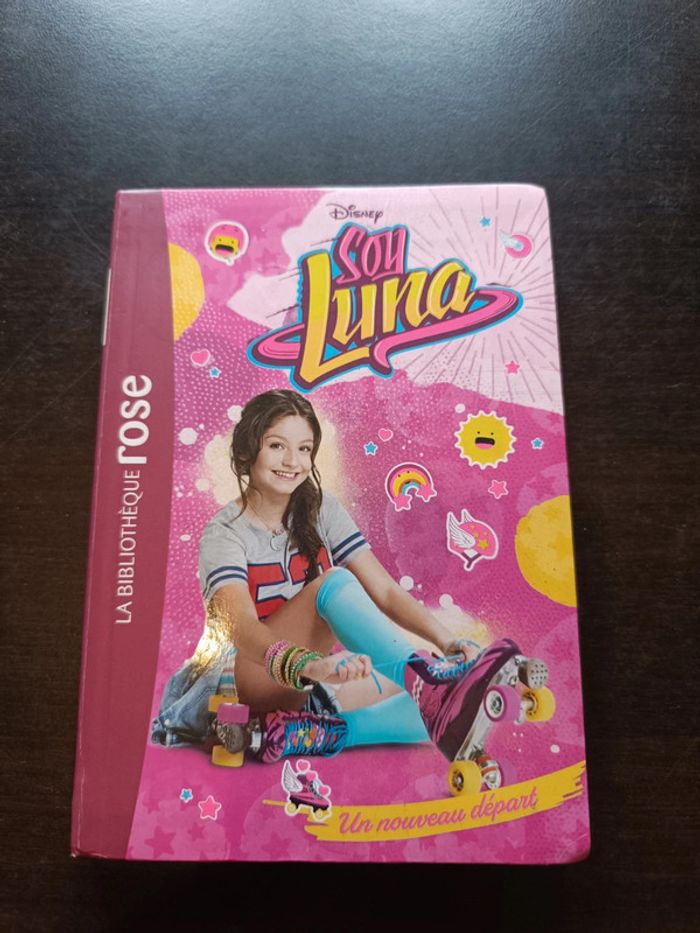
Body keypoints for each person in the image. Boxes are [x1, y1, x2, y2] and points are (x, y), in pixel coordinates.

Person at [155, 389, 532, 764]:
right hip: (244, 682)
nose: (293, 461)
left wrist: (447, 642)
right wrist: (307, 665)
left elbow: (385, 591)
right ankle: (424, 679)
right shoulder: (225, 532)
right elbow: (239, 626)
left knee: (436, 706)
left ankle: (311, 731)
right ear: (244, 452)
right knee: (334, 584)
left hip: (305, 685)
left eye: (304, 449)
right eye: (276, 446)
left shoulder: (319, 508)